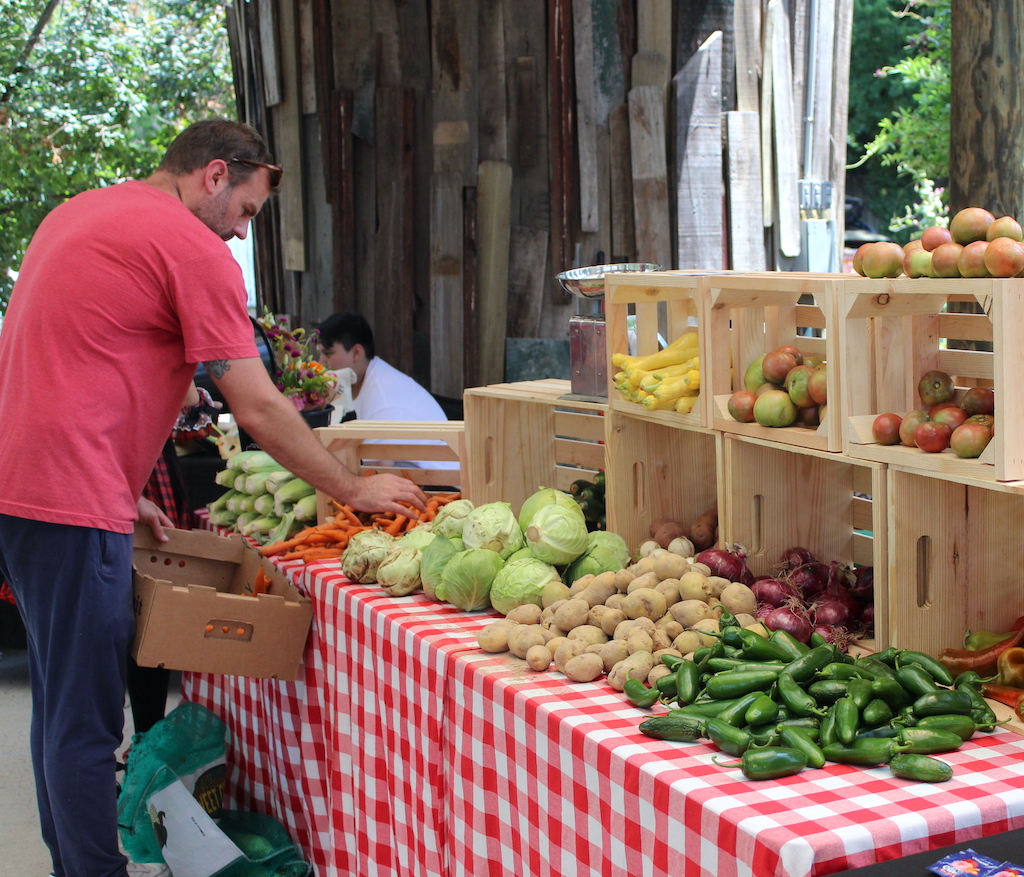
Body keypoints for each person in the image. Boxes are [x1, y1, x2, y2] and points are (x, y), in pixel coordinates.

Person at [0, 119, 425, 877]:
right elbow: (257, 407)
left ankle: (72, 860)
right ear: (216, 174)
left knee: (61, 706)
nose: (239, 235)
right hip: (66, 499)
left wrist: (119, 485)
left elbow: (67, 357)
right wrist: (354, 487)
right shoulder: (188, 245)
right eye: (247, 213)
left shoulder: (83, 213)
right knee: (88, 723)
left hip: (31, 486)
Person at [317, 312, 448, 424]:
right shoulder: (365, 381)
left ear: (356, 352)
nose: (320, 363)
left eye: (328, 353)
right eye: (320, 354)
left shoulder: (383, 404)